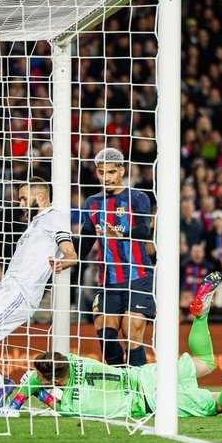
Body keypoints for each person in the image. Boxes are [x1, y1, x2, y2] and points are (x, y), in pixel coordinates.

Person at [0, 273, 222, 420]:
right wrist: (36, 384)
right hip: (147, 375)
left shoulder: (71, 404)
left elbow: (47, 397)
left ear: (57, 382)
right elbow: (44, 372)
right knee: (205, 362)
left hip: (150, 402)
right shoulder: (73, 359)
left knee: (217, 404)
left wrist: (20, 401)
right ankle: (201, 317)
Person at [0, 177, 77, 415]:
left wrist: (63, 261)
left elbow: (71, 252)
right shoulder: (34, 224)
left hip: (20, 294)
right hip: (4, 289)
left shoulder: (54, 217)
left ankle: (1, 385)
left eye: (22, 198)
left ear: (39, 197)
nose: (19, 204)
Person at [80, 148, 154, 367]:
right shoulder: (92, 202)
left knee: (131, 331)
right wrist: (68, 256)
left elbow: (143, 231)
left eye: (111, 172)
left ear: (122, 170)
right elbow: (86, 239)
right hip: (108, 281)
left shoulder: (138, 197)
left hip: (137, 276)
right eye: (102, 173)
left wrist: (121, 234)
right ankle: (119, 377)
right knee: (106, 334)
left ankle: (136, 388)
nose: (107, 177)